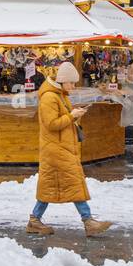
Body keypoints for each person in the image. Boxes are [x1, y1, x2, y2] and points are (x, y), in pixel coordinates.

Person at [26, 61, 112, 238]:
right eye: (72, 82)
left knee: (50, 185)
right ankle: (88, 221)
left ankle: (35, 220)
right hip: (56, 149)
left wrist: (75, 115)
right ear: (63, 80)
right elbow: (51, 124)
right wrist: (71, 115)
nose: (73, 86)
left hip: (60, 148)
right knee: (73, 181)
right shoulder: (50, 97)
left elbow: (63, 120)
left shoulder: (60, 95)